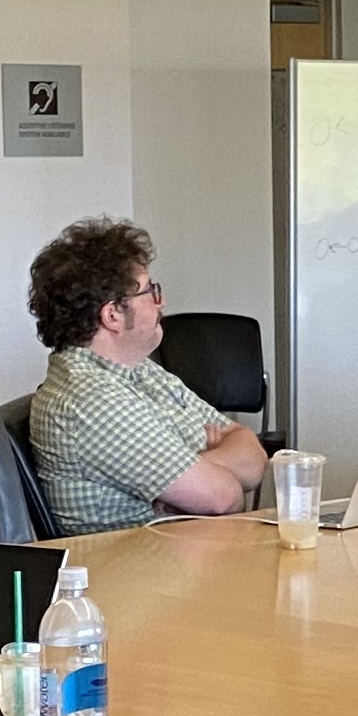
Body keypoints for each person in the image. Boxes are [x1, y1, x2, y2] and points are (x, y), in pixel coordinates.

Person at [22, 218, 270, 531]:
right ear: (112, 315)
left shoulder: (138, 370)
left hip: (189, 555)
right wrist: (205, 470)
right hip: (140, 572)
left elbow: (251, 453)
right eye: (149, 291)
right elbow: (224, 498)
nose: (161, 301)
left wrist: (196, 469)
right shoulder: (92, 400)